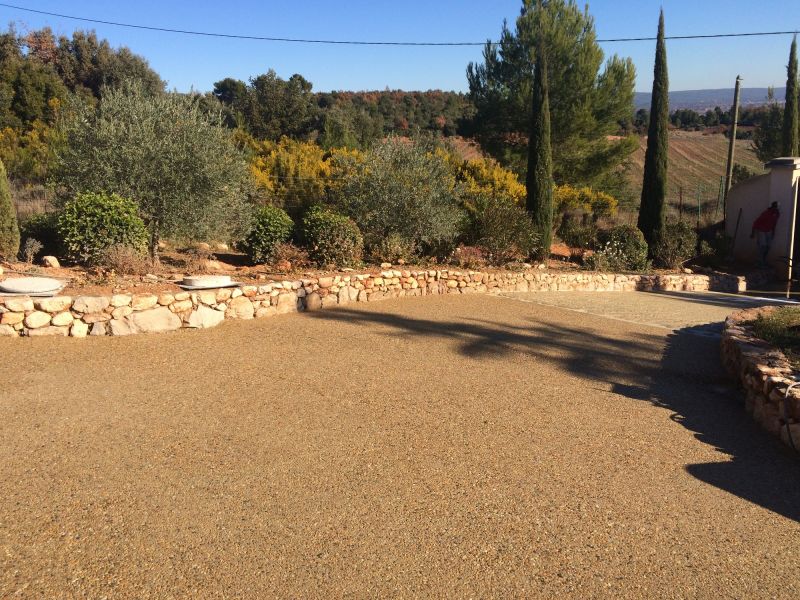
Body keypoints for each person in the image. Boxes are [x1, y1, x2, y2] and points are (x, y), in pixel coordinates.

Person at [750, 201, 780, 267]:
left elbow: (774, 223)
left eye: (777, 208)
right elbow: (756, 222)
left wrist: (773, 232)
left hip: (768, 231)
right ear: (773, 207)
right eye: (776, 207)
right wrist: (753, 233)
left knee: (768, 246)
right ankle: (759, 262)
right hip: (761, 230)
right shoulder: (766, 213)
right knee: (762, 246)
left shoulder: (777, 214)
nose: (777, 209)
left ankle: (763, 260)